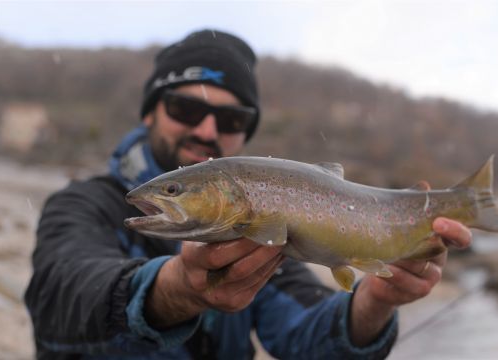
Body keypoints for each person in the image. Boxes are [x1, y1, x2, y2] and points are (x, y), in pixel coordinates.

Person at [25, 29, 472, 360]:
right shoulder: (81, 205)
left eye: (231, 120)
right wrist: (174, 290)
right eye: (186, 108)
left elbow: (306, 336)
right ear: (149, 113)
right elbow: (57, 303)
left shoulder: (267, 228)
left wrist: (374, 302)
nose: (206, 130)